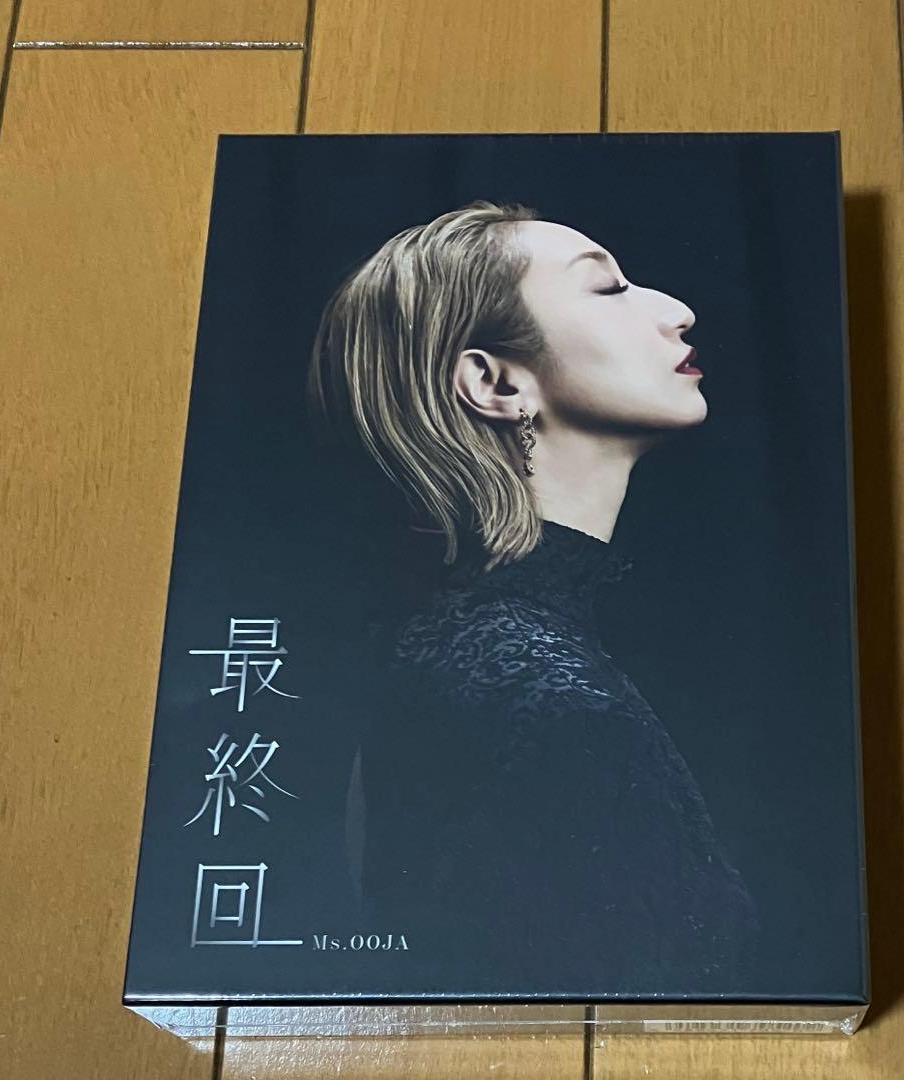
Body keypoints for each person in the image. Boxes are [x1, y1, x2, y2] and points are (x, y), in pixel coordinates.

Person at [307, 200, 760, 992]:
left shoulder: (474, 654)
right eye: (608, 288)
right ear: (496, 381)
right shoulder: (551, 703)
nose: (678, 311)